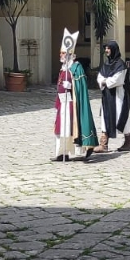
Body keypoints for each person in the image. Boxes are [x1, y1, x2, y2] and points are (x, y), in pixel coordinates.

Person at [53, 29, 98, 162]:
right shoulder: (63, 68)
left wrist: (71, 83)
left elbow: (80, 87)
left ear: (70, 54)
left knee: (72, 127)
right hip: (63, 103)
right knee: (61, 128)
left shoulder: (76, 68)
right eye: (60, 53)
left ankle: (77, 152)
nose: (61, 55)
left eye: (63, 53)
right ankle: (62, 153)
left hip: (73, 103)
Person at [94, 39, 130, 152]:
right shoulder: (106, 64)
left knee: (120, 115)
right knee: (105, 116)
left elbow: (118, 79)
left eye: (108, 48)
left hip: (118, 95)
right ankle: (104, 143)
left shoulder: (120, 64)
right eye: (106, 48)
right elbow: (100, 76)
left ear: (113, 49)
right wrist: (104, 81)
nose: (106, 50)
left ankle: (127, 141)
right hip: (107, 95)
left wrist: (106, 81)